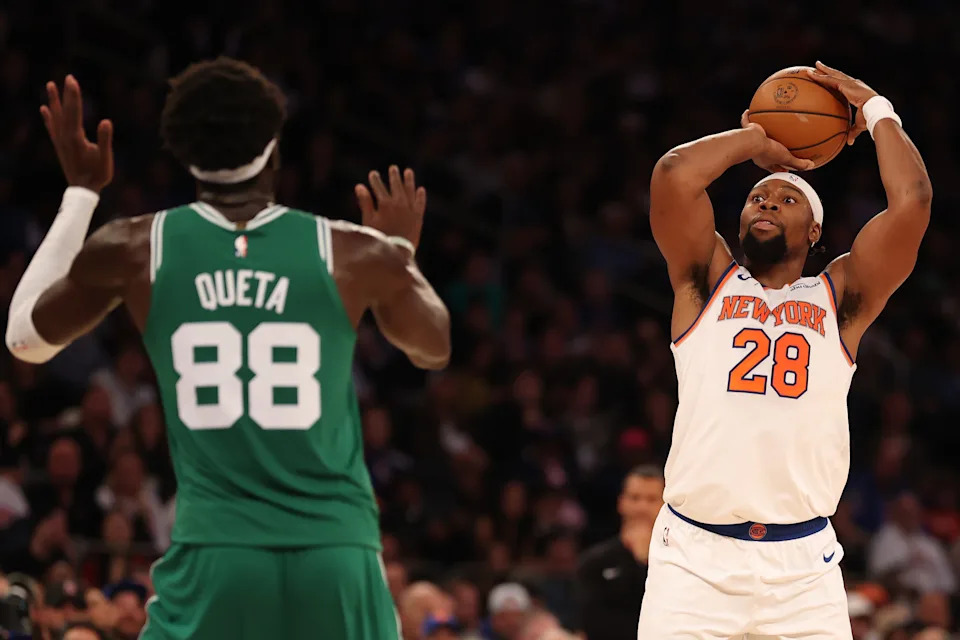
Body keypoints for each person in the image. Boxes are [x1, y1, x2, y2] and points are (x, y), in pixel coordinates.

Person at [5, 57, 451, 639]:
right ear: (273, 144)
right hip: (338, 554)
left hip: (218, 556)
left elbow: (25, 340)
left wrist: (81, 194)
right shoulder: (351, 250)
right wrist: (398, 252)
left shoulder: (137, 246)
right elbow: (432, 346)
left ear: (182, 151)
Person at [638, 61, 932, 639]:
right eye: (756, 196)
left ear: (816, 232)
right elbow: (674, 174)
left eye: (785, 200)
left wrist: (877, 111)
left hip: (801, 570)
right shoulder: (703, 281)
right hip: (693, 560)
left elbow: (912, 204)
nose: (767, 203)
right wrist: (757, 140)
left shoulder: (840, 298)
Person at [577, 465, 663, 640]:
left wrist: (644, 562)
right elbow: (590, 624)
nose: (642, 507)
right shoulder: (594, 561)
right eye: (635, 498)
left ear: (664, 506)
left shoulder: (679, 560)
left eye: (651, 499)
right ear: (621, 503)